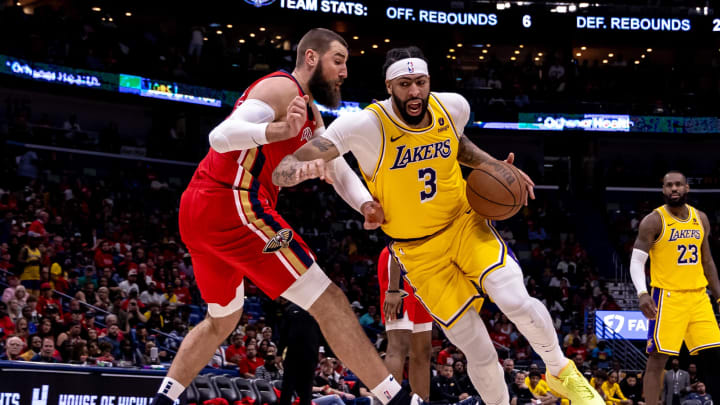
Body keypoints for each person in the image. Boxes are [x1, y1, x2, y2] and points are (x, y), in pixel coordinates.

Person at [273, 45, 604, 405]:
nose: (414, 92)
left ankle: (560, 372)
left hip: (464, 225)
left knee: (515, 299)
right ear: (389, 86)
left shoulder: (453, 106)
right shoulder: (364, 125)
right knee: (478, 349)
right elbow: (290, 165)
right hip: (418, 252)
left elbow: (455, 144)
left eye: (421, 82)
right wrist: (298, 170)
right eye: (404, 84)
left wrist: (493, 166)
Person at [151, 28, 409, 405]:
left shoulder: (310, 111)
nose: (344, 72)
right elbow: (220, 136)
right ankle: (396, 399)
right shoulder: (280, 88)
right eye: (338, 60)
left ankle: (162, 400)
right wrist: (276, 129)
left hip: (200, 210)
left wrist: (365, 204)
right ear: (311, 58)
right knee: (330, 300)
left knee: (222, 319)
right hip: (234, 204)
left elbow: (334, 168)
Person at [629, 171, 720, 405]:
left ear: (687, 188)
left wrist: (719, 295)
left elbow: (707, 261)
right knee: (657, 359)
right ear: (663, 190)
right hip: (668, 297)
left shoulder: (701, 218)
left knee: (715, 355)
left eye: (678, 184)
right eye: (669, 185)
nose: (674, 188)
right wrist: (642, 293)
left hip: (699, 297)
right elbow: (637, 261)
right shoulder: (653, 220)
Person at [379, 247, 433, 400]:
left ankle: (422, 401)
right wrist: (393, 290)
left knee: (423, 350)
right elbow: (395, 238)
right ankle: (391, 402)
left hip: (424, 267)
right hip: (399, 261)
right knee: (399, 346)